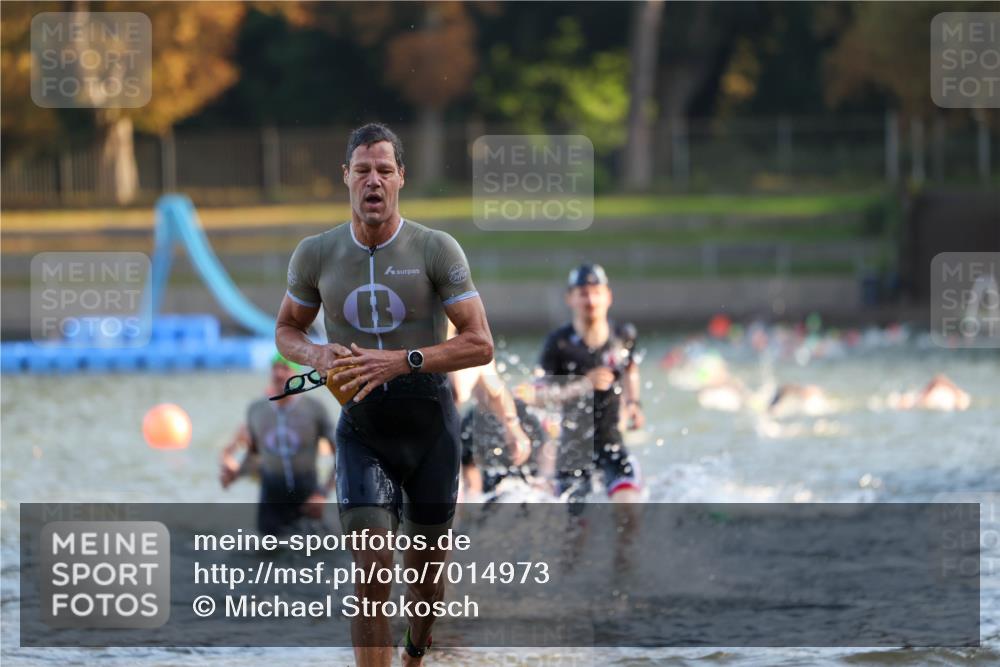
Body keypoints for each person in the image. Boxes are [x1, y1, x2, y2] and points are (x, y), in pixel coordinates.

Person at [274, 123, 493, 667]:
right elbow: (287, 330)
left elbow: (479, 343)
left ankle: (416, 652)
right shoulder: (315, 253)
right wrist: (317, 355)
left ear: (401, 179)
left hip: (430, 430)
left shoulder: (434, 248)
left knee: (425, 585)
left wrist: (403, 360)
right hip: (363, 431)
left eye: (384, 170)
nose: (373, 180)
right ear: (346, 176)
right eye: (363, 170)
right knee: (371, 573)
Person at [518, 264, 644, 573]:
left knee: (629, 512)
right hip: (573, 448)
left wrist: (633, 404)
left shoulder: (623, 336)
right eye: (583, 293)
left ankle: (623, 577)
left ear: (608, 296)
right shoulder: (558, 343)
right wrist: (582, 385)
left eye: (596, 292)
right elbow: (534, 393)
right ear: (570, 298)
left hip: (611, 442)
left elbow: (630, 370)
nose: (590, 300)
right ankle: (567, 582)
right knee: (574, 532)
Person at [219, 354, 337, 536]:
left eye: (285, 368)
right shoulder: (256, 410)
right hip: (271, 499)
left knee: (317, 548)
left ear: (297, 375)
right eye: (275, 368)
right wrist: (236, 475)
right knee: (266, 549)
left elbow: (341, 454)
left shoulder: (314, 409)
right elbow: (254, 455)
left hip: (307, 498)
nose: (279, 373)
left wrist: (322, 493)